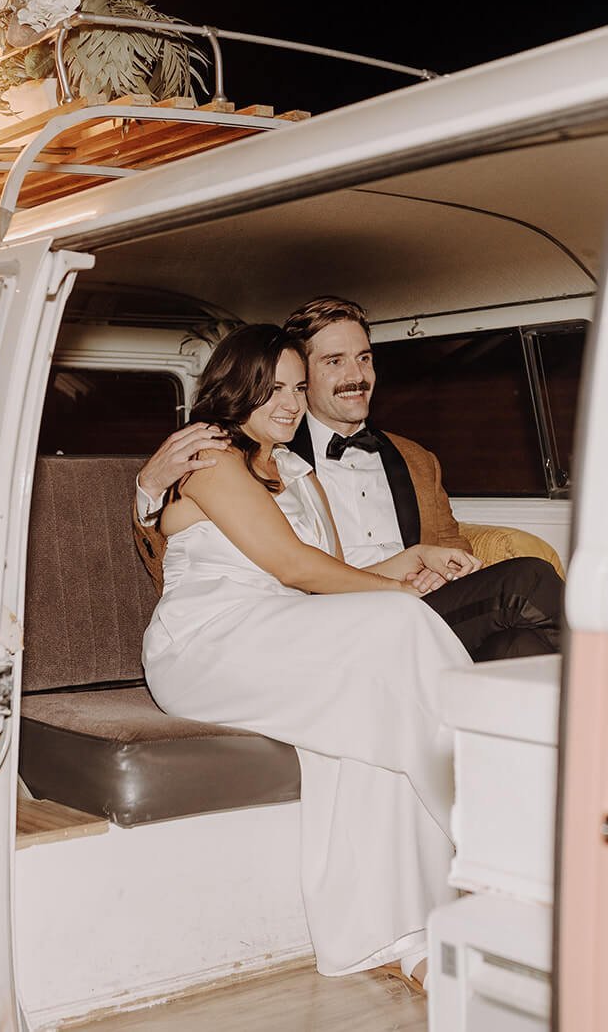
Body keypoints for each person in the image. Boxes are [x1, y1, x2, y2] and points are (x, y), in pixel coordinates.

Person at [142, 323, 474, 987]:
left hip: (284, 625)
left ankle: (403, 932)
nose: (291, 402)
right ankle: (480, 817)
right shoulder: (211, 457)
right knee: (398, 630)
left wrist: (412, 562)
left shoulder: (294, 469)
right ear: (237, 385)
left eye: (298, 387)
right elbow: (295, 566)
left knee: (367, 724)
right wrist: (396, 597)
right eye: (274, 387)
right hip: (210, 641)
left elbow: (330, 569)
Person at [135, 295, 561, 660]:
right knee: (528, 578)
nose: (355, 376)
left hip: (400, 602)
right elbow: (189, 552)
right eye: (334, 361)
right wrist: (149, 489)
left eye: (364, 358)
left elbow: (449, 545)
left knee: (522, 647)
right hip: (336, 618)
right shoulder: (233, 456)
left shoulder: (409, 460)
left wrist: (426, 563)